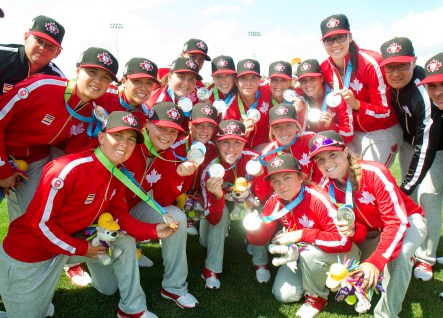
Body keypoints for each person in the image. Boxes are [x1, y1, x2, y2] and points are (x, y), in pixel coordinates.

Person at [0, 111, 179, 318]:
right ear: (101, 138)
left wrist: (155, 230)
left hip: (69, 242)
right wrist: (82, 248)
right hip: (31, 252)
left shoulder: (118, 171)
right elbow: (38, 225)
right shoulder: (67, 169)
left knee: (122, 242)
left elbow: (120, 216)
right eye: (117, 136)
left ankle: (132, 310)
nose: (124, 144)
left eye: (131, 139)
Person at [0, 46, 119, 286]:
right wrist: (3, 169)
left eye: (105, 77)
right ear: (78, 70)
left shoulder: (91, 109)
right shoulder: (43, 85)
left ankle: (21, 276)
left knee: (30, 220)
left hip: (34, 161)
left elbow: (74, 145)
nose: (98, 81)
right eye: (92, 72)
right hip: (4, 154)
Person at [309, 130, 427, 318]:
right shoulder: (327, 189)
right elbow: (351, 232)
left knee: (401, 256)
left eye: (332, 155)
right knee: (356, 268)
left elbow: (396, 222)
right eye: (320, 160)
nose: (327, 163)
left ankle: (386, 314)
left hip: (408, 222)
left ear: (346, 151)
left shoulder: (374, 173)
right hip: (370, 233)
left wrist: (376, 260)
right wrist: (354, 231)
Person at [246, 153, 358, 318]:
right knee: (284, 295)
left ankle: (317, 298)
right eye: (275, 181)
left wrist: (300, 234)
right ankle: (321, 278)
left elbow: (343, 241)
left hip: (340, 253)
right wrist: (253, 229)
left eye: (287, 178)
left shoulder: (317, 198)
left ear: (300, 177)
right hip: (300, 253)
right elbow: (260, 240)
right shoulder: (274, 201)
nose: (281, 185)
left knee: (309, 252)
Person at [124, 102, 200, 309]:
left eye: (173, 131)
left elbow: (162, 201)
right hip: (107, 213)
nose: (167, 135)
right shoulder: (128, 143)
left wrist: (179, 175)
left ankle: (174, 287)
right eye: (162, 128)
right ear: (147, 124)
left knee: (177, 218)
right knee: (108, 288)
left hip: (134, 209)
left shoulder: (170, 157)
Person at [319, 14, 402, 167]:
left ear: (350, 37)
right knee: (346, 179)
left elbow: (385, 111)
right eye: (329, 40)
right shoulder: (324, 67)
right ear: (323, 43)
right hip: (352, 134)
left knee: (369, 177)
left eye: (341, 37)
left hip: (382, 131)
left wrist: (357, 104)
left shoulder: (372, 62)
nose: (335, 44)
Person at [200, 120, 260, 288]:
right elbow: (212, 217)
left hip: (246, 201)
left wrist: (253, 197)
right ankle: (211, 269)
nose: (231, 148)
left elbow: (265, 193)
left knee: (257, 210)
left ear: (244, 143)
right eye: (225, 142)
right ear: (218, 143)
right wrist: (218, 196)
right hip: (222, 203)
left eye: (237, 142)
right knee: (220, 219)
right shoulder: (209, 170)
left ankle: (260, 259)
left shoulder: (254, 160)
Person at [414, 52, 443, 281]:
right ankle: (426, 257)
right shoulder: (431, 107)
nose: (438, 92)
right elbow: (428, 150)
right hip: (440, 154)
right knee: (427, 195)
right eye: (432, 85)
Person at [170, 102, 219, 235]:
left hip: (199, 197)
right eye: (200, 125)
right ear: (190, 126)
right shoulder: (175, 147)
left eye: (210, 126)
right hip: (175, 198)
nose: (205, 130)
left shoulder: (214, 149)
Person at [0, 15, 65, 96]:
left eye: (50, 46)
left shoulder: (59, 80)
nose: (43, 48)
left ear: (57, 53)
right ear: (26, 37)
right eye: (39, 40)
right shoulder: (2, 55)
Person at [294, 59, 353, 142]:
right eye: (304, 81)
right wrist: (295, 113)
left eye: (312, 79)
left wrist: (331, 126)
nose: (308, 84)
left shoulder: (337, 98)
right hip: (313, 146)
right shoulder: (299, 100)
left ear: (321, 78)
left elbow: (349, 135)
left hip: (337, 146)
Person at [224, 59, 272, 150]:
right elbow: (224, 140)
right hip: (240, 150)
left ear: (259, 81)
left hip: (263, 146)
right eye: (243, 78)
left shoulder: (267, 90)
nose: (248, 83)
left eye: (253, 78)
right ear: (236, 81)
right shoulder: (228, 107)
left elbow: (284, 85)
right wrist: (239, 132)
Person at [145, 57, 202, 131]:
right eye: (181, 77)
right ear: (169, 77)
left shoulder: (185, 98)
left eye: (191, 79)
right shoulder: (158, 103)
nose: (186, 83)